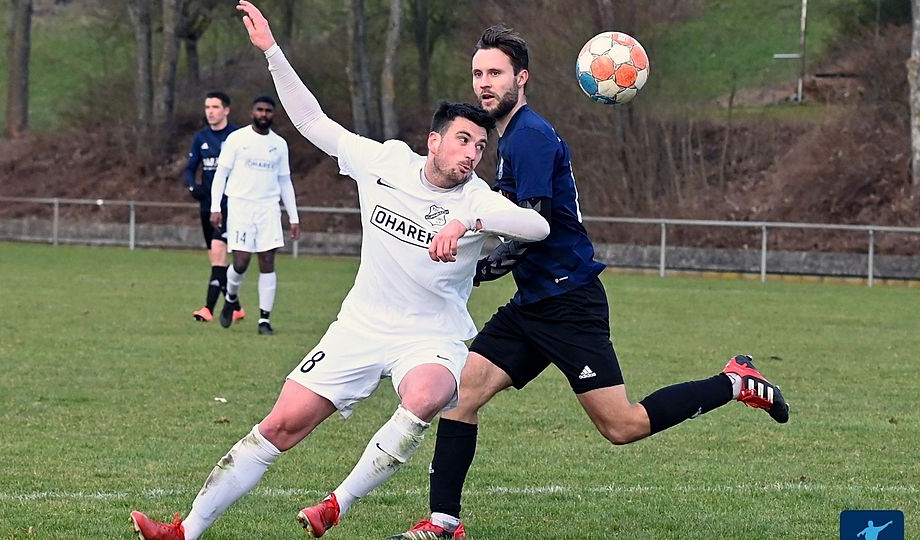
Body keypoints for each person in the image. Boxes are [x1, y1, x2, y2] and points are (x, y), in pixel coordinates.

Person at [128, 2, 549, 539]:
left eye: (481, 146)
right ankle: (185, 531)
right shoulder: (384, 163)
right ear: (434, 141)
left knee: (427, 395)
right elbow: (311, 122)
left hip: (430, 336)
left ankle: (337, 504)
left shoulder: (480, 199)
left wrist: (469, 216)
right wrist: (273, 54)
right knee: (279, 425)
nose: (472, 154)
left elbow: (537, 228)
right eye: (463, 141)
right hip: (360, 326)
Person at [390, 25, 791, 540]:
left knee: (621, 426)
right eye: (478, 74)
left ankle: (735, 381)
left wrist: (477, 268)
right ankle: (444, 523)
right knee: (460, 396)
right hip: (534, 302)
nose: (484, 83)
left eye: (495, 73)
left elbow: (533, 227)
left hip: (568, 301)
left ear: (521, 78)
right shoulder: (509, 137)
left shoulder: (530, 136)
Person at [209, 94, 301, 336]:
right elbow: (221, 174)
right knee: (240, 262)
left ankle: (264, 320)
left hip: (268, 208)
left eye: (268, 111)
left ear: (273, 114)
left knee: (267, 262)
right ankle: (230, 297)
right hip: (240, 206)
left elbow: (285, 181)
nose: (263, 114)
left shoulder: (279, 144)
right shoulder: (237, 139)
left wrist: (294, 217)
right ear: (252, 112)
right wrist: (215, 207)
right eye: (259, 110)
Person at [182, 91, 245, 324]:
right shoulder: (201, 137)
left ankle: (208, 309)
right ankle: (236, 307)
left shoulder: (238, 136)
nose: (210, 111)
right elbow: (190, 168)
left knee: (218, 255)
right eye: (207, 106)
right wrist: (192, 186)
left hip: (230, 205)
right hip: (207, 206)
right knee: (215, 259)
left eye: (215, 107)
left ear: (226, 110)